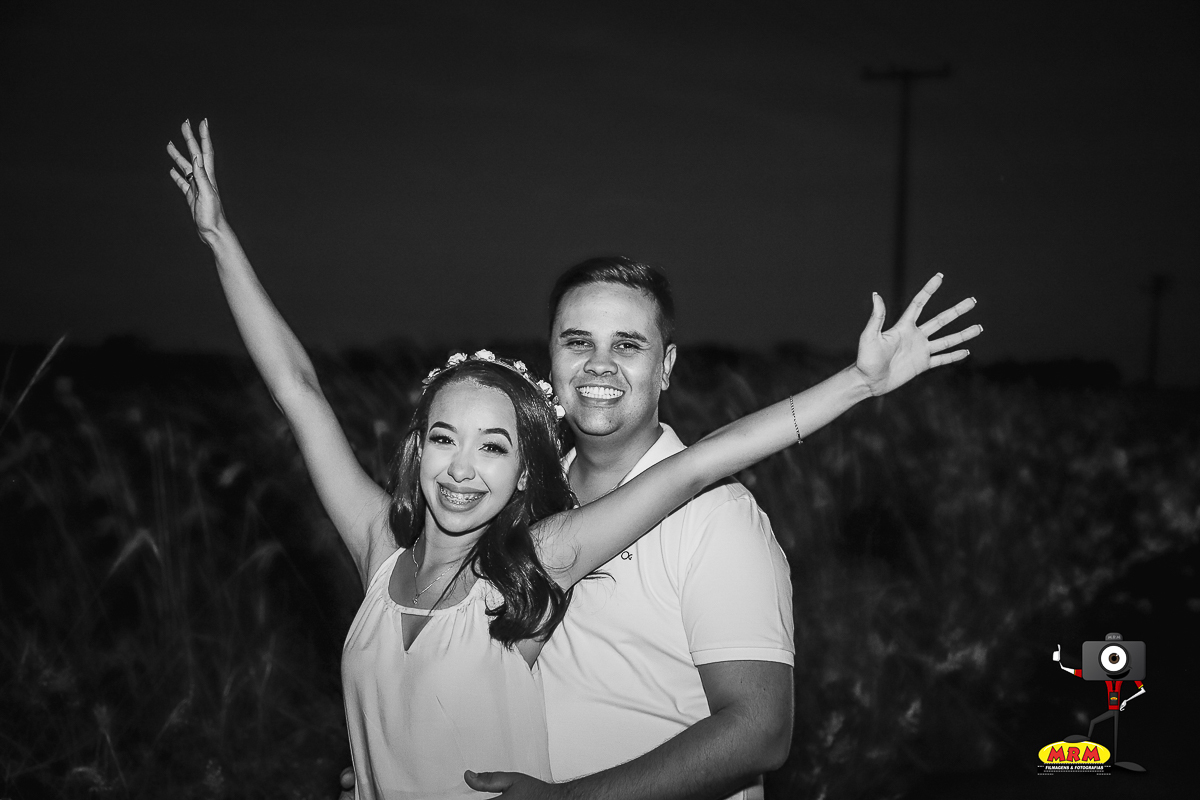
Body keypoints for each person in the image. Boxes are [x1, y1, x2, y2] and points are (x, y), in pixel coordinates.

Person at [167, 120, 980, 800]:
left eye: (493, 446)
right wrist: (218, 237)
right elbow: (298, 390)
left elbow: (699, 468)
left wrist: (857, 383)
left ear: (520, 471)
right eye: (444, 439)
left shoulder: (543, 558)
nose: (462, 468)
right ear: (416, 449)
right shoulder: (392, 545)